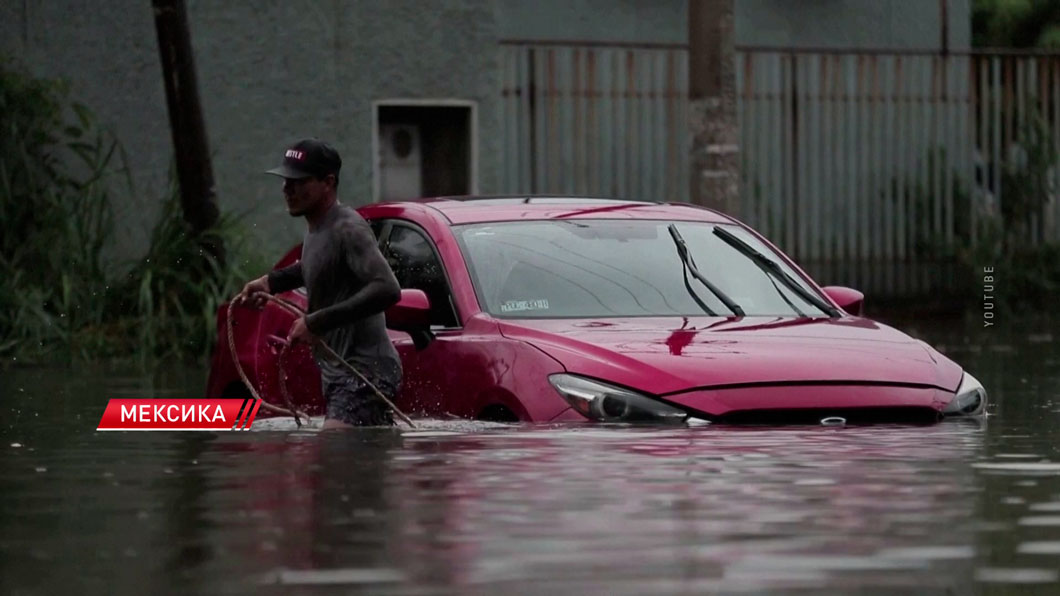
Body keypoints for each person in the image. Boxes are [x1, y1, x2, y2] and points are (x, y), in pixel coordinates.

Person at [235, 139, 403, 428]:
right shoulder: (318, 228)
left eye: (298, 181)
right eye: (286, 180)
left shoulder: (348, 228)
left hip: (366, 371)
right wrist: (270, 281)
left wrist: (315, 323)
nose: (287, 189)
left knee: (332, 458)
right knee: (351, 467)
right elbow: (318, 265)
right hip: (339, 374)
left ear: (328, 182)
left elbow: (387, 288)